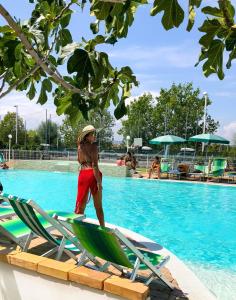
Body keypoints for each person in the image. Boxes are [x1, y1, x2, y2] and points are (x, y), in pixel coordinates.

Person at [74, 125, 104, 226]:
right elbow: (95, 165)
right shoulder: (94, 146)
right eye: (92, 134)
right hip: (92, 174)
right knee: (98, 206)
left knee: (80, 205)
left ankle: (77, 228)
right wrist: (99, 182)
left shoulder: (79, 147)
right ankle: (103, 228)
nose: (94, 136)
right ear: (87, 136)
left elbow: (79, 160)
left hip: (82, 175)